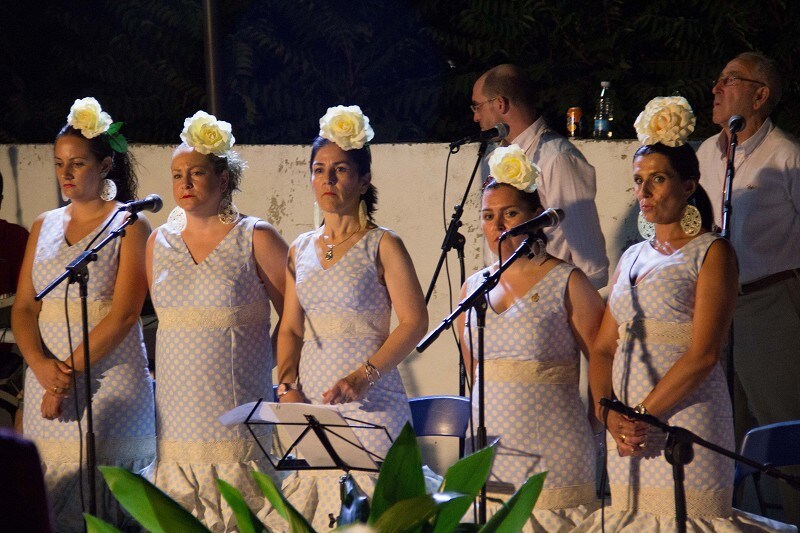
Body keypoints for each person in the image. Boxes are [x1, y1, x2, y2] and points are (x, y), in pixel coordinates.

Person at [577, 96, 795, 531]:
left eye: (657, 180)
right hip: (627, 430)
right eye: (638, 181)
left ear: (688, 185)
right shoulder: (633, 256)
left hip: (684, 420)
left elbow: (704, 354)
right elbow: (602, 347)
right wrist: (609, 414)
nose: (644, 191)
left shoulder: (712, 252)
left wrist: (641, 416)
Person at [273, 105, 428, 530]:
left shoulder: (382, 244)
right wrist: (288, 384)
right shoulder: (299, 249)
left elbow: (414, 322)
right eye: (319, 169)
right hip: (315, 410)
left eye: (340, 170)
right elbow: (289, 327)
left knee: (377, 517)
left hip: (372, 403)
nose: (328, 180)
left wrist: (363, 376)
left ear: (363, 180)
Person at [11, 97, 156, 530]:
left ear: (105, 165)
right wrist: (41, 368)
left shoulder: (129, 223)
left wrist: (65, 374)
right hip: (46, 381)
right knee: (56, 500)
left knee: (109, 499)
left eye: (77, 163)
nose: (66, 174)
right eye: (59, 164)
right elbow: (23, 307)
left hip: (110, 380)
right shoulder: (44, 224)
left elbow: (125, 314)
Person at [144, 111, 288, 531]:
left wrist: (267, 366)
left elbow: (295, 314)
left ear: (223, 179)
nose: (184, 184)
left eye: (196, 173)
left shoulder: (255, 236)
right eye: (177, 175)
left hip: (237, 411)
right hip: (176, 418)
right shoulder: (158, 243)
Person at [454, 143, 604, 531]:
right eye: (489, 216)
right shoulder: (473, 287)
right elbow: (476, 375)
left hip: (554, 450)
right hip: (491, 450)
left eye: (510, 213)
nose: (498, 225)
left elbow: (602, 356)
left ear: (535, 218)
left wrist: (595, 426)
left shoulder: (567, 280)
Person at [697, 51, 800, 527]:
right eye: (717, 80)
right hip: (714, 307)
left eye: (729, 80)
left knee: (782, 426)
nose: (716, 89)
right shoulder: (704, 155)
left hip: (771, 303)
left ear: (760, 95)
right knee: (721, 425)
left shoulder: (788, 156)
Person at [471, 64, 609, 289]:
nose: (476, 117)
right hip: (505, 296)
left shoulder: (557, 158)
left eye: (477, 106)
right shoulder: (495, 158)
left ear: (500, 103)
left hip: (549, 301)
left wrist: (561, 305)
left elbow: (592, 267)